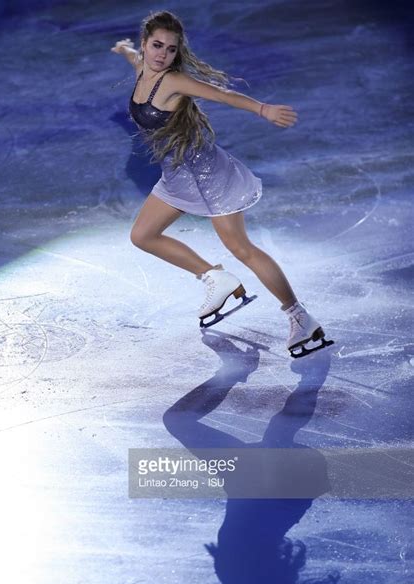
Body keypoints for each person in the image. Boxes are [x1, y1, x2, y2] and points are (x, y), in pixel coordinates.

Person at [111, 10, 333, 357]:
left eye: (170, 49)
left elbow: (222, 94)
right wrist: (124, 49)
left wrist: (263, 110)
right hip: (178, 176)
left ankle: (299, 316)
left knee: (240, 248)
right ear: (145, 44)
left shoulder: (172, 81)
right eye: (156, 46)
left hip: (210, 176)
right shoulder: (142, 66)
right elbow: (134, 59)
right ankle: (215, 277)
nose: (162, 54)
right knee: (142, 235)